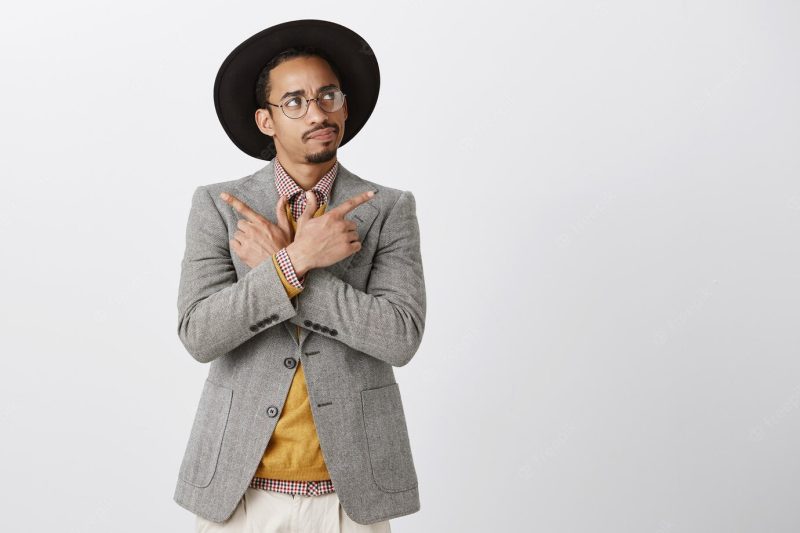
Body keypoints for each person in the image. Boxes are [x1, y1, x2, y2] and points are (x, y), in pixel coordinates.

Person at [172, 19, 427, 532]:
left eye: (328, 95)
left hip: (351, 496)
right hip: (239, 493)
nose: (318, 112)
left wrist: (289, 264)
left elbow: (399, 337)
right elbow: (199, 335)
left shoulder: (389, 208)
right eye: (295, 101)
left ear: (346, 106)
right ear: (265, 120)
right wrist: (294, 262)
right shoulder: (220, 207)